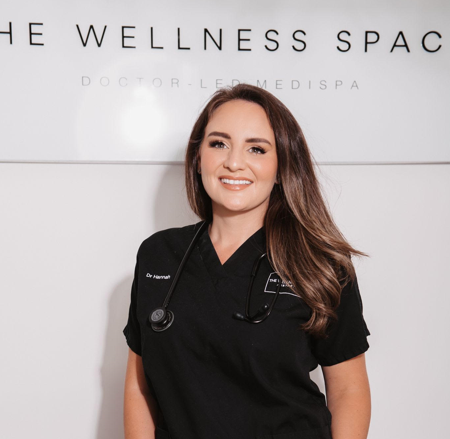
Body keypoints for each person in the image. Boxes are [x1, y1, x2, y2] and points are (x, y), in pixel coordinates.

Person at [123, 83, 372, 439]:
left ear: (281, 165)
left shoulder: (321, 264)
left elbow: (349, 390)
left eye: (256, 148)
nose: (234, 162)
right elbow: (139, 387)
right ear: (198, 157)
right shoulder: (158, 255)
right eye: (218, 144)